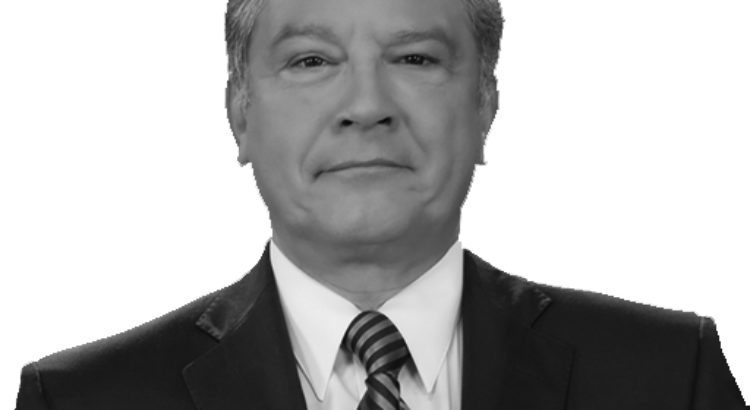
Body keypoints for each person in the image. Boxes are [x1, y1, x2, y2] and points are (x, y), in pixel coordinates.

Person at [14, 0, 747, 408]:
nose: (366, 106)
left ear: (485, 106)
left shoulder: (666, 378)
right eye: (311, 60)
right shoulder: (82, 401)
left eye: (415, 58)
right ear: (239, 114)